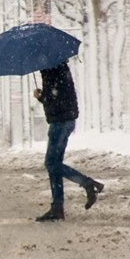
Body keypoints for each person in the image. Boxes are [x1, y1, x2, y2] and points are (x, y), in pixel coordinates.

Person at [33, 60, 104, 222]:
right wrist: (43, 96)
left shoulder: (52, 69)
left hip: (61, 121)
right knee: (55, 165)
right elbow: (57, 96)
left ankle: (87, 184)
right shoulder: (57, 67)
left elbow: (55, 97)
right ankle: (57, 208)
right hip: (64, 119)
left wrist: (41, 95)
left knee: (51, 163)